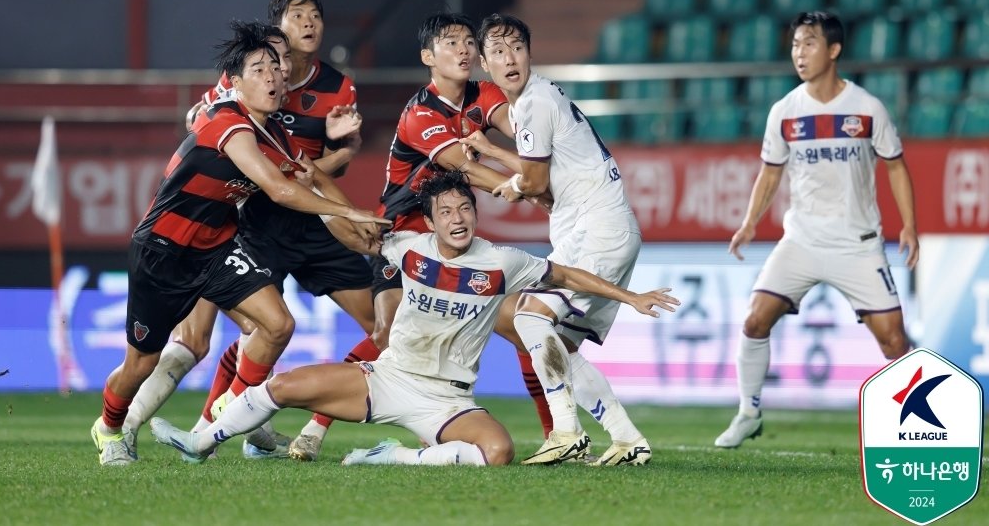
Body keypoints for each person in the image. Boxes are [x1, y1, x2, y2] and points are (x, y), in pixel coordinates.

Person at [149, 171, 679, 466]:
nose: (457, 219)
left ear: (476, 214)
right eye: (446, 212)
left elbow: (566, 276)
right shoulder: (407, 248)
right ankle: (201, 443)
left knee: (497, 453)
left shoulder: (501, 261)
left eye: (465, 209)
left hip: (446, 399)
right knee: (285, 385)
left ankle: (393, 457)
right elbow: (349, 224)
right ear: (430, 221)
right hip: (386, 379)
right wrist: (317, 187)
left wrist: (629, 297)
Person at [90, 23, 388, 466]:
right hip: (163, 251)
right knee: (141, 363)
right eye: (258, 69)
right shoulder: (226, 120)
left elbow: (314, 182)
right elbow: (280, 189)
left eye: (275, 69)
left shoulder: (276, 136)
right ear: (234, 82)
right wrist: (353, 213)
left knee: (277, 325)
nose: (271, 77)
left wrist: (363, 226)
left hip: (216, 250)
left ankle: (233, 404)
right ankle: (110, 428)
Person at [283, 12, 555, 462]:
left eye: (470, 42)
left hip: (451, 234)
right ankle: (316, 425)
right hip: (403, 234)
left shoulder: (483, 94)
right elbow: (464, 167)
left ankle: (556, 436)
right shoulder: (419, 113)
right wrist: (525, 187)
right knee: (387, 331)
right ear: (428, 57)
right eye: (451, 43)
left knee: (523, 327)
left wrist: (538, 149)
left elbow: (518, 129)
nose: (465, 50)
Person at [714, 11, 919, 448]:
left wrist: (910, 227)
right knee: (754, 320)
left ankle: (920, 425)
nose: (799, 53)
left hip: (857, 244)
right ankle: (749, 412)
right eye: (794, 45)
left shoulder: (866, 108)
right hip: (802, 241)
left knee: (894, 340)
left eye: (809, 43)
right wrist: (749, 223)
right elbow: (769, 174)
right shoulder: (785, 111)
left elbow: (896, 166)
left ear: (834, 50)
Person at [464, 13, 650, 466]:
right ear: (486, 65)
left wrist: (503, 181)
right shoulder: (538, 99)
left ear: (530, 52)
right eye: (499, 52)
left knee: (526, 315)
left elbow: (532, 181)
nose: (510, 59)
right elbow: (543, 177)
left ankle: (565, 430)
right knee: (559, 346)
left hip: (597, 230)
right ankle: (627, 439)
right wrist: (493, 153)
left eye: (517, 48)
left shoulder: (534, 101)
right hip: (601, 228)